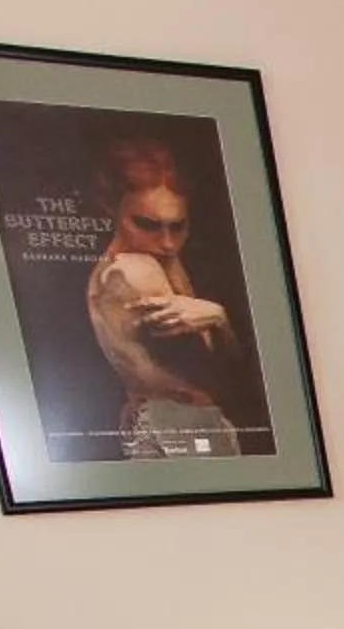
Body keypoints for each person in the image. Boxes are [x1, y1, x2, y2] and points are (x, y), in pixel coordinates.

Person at [84, 138, 264, 458]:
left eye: (178, 226)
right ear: (112, 209)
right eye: (147, 224)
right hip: (188, 424)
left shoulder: (114, 267)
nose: (167, 243)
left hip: (158, 423)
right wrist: (219, 317)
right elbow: (222, 377)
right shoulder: (139, 270)